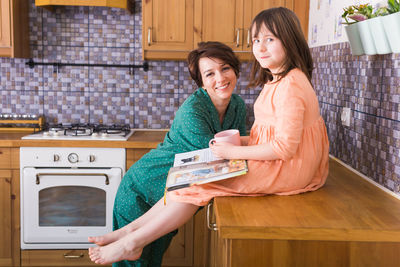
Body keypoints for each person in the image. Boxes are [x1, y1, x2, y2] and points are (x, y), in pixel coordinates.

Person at [88, 7, 329, 265]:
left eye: (269, 38)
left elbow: (278, 146)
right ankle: (129, 234)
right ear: (201, 81)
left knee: (194, 181)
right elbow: (246, 147)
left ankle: (131, 239)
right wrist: (233, 150)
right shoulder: (200, 108)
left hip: (290, 168)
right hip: (146, 185)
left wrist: (234, 150)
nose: (260, 46)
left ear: (290, 39)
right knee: (190, 182)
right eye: (256, 40)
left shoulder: (283, 86)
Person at [88, 41, 246, 267]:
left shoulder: (238, 105)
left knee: (152, 260)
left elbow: (236, 149)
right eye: (210, 74)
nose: (220, 79)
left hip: (172, 198)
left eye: (225, 68)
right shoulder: (193, 110)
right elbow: (218, 159)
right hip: (142, 191)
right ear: (201, 82)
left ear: (235, 70)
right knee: (134, 262)